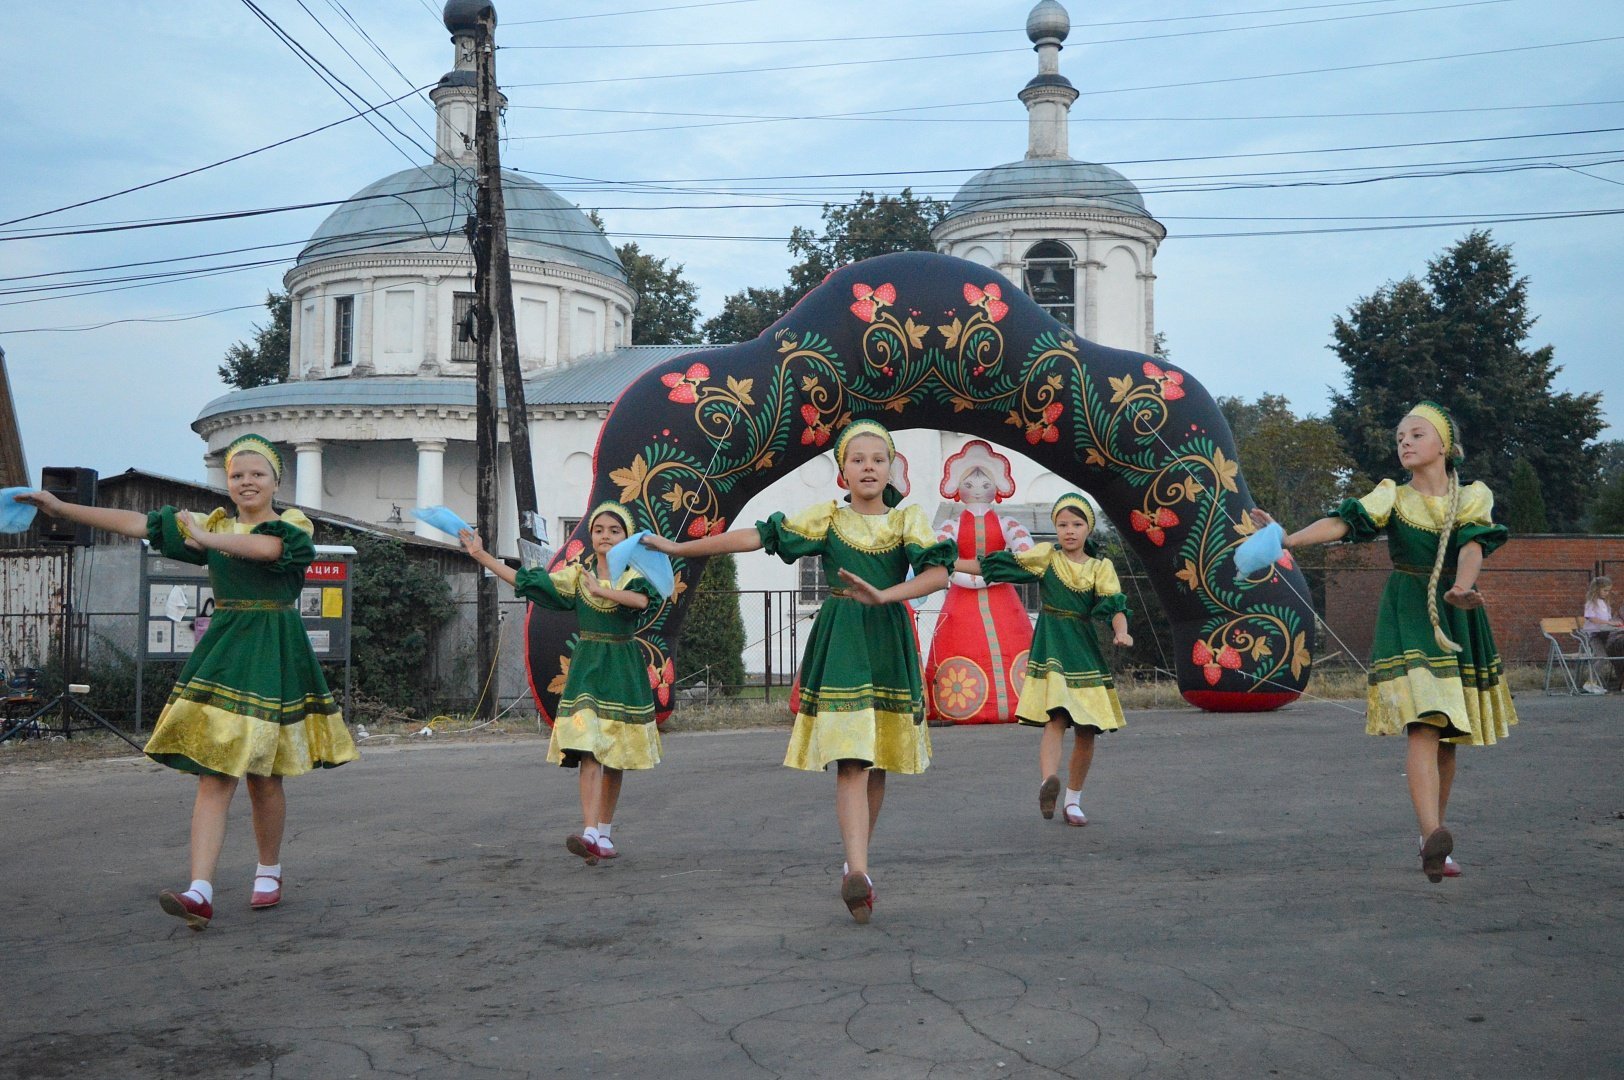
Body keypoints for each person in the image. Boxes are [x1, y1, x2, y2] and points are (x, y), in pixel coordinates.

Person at [14, 435, 358, 930]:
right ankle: (200, 890)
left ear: (275, 481)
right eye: (237, 475)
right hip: (224, 651)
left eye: (257, 474)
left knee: (264, 775)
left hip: (274, 650)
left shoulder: (292, 527)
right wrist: (62, 507)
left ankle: (269, 867)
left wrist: (207, 538)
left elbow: (267, 549)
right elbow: (138, 523)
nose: (246, 482)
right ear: (229, 482)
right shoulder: (213, 525)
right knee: (214, 772)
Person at [643, 420, 953, 924]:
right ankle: (857, 869)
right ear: (843, 472)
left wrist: (885, 594)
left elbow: (937, 573)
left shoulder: (908, 520)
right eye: (857, 459)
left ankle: (859, 866)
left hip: (887, 638)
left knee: (877, 763)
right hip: (843, 642)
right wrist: (682, 551)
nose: (868, 466)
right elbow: (758, 536)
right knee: (851, 759)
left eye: (878, 458)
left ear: (892, 467)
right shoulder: (827, 519)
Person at [1251, 402, 1516, 882]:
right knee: (1424, 723)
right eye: (1400, 438)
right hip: (1409, 613)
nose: (1406, 443)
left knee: (1448, 737)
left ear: (1445, 445)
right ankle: (1434, 832)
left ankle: (1429, 837)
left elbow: (1473, 544)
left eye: (1416, 434)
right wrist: (1288, 539)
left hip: (1456, 610)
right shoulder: (1391, 496)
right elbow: (1342, 522)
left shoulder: (1473, 495)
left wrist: (1462, 586)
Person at [460, 501, 661, 864]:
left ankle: (603, 834)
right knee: (587, 748)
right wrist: (482, 555)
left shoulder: (633, 574)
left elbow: (639, 600)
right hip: (587, 670)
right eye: (599, 530)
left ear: (627, 538)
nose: (605, 536)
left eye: (614, 531)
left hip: (621, 669)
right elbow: (526, 580)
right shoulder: (576, 575)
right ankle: (588, 833)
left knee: (614, 757)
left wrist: (601, 591)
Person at [958, 494, 1132, 827]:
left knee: (1087, 729)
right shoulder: (1045, 558)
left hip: (1083, 648)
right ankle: (1048, 781)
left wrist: (1121, 632)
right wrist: (951, 563)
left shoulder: (1100, 567)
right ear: (1055, 528)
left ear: (1087, 529)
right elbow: (996, 566)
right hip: (1052, 645)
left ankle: (1073, 800)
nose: (1069, 531)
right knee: (1056, 717)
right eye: (1063, 525)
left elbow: (1115, 607)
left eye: (1077, 524)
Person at [925, 439, 1035, 725]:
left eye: (984, 481)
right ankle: (959, 705)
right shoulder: (951, 525)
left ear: (997, 486)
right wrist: (967, 576)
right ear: (957, 488)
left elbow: (1025, 552)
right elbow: (940, 555)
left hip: (1002, 598)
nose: (976, 486)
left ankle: (1024, 702)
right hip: (963, 600)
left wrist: (999, 571)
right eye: (969, 482)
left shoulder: (1008, 523)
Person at [1580, 576, 1623, 693]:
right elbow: (1592, 619)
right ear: (1597, 589)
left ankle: (1597, 682)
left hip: (1605, 633)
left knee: (1613, 654)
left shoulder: (1605, 603)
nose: (1607, 593)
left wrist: (1614, 625)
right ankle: (1590, 682)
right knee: (1601, 657)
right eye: (1605, 590)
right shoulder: (1591, 603)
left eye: (1608, 590)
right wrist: (1609, 622)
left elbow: (1608, 619)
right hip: (1595, 635)